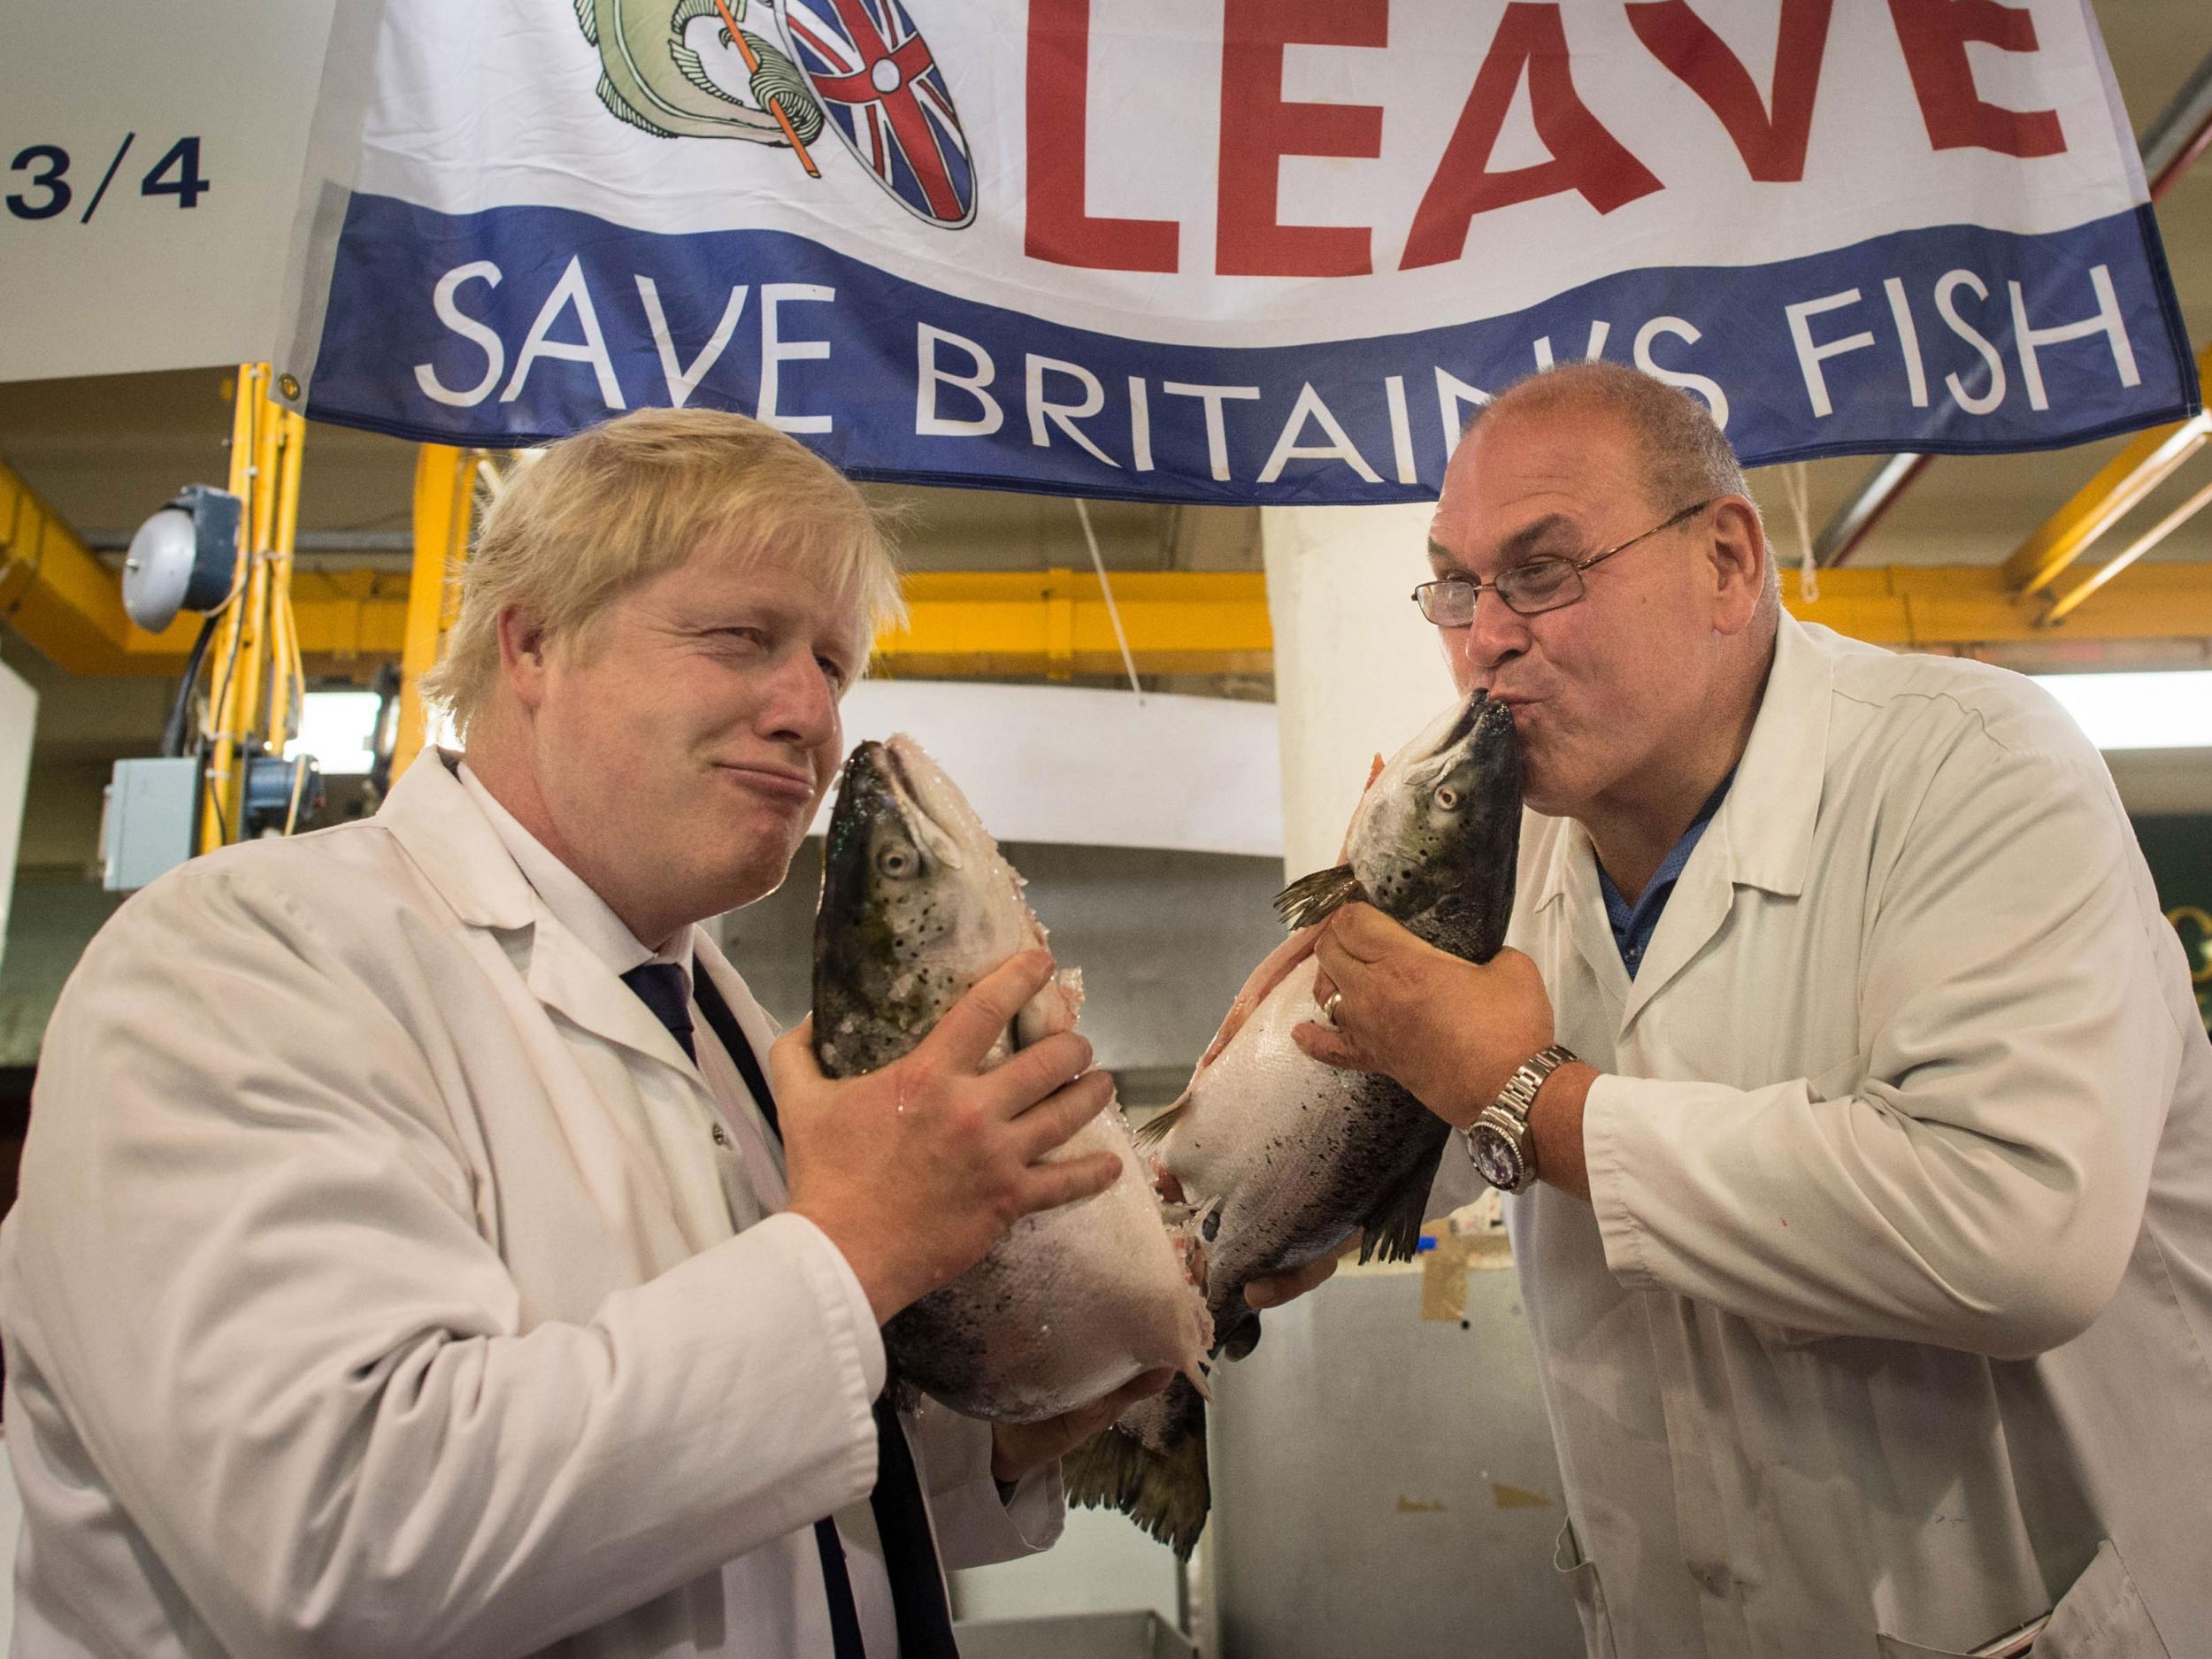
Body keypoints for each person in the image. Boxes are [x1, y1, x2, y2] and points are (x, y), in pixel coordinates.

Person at [0, 409, 1164, 1659]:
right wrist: (857, 1249)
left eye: (831, 664)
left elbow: (752, 1496)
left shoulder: (714, 1019)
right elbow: (343, 1546)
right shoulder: (246, 962)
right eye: (741, 639)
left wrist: (1000, 1437)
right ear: (535, 641)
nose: (808, 715)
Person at [1288, 362, 2212, 1656]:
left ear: (1727, 562)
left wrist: (1532, 1102)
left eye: (1542, 572)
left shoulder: (1977, 768)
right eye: (1455, 581)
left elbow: (2019, 1231)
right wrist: (1266, 1215)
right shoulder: (1524, 849)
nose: (1483, 634)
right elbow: (1404, 1148)